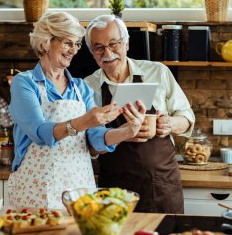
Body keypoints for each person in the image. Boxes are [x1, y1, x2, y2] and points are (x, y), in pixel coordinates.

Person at [7, 12, 146, 209]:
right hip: (36, 189)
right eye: (67, 43)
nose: (73, 50)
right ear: (46, 43)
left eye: (77, 44)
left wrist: (126, 132)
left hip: (79, 188)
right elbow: (40, 133)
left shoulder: (81, 88)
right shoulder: (25, 83)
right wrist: (85, 121)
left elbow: (95, 138)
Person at [84, 15, 195, 214]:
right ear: (92, 52)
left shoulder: (158, 72)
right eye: (99, 47)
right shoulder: (86, 87)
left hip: (160, 185)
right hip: (114, 191)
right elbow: (88, 146)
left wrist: (169, 124)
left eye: (114, 44)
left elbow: (187, 117)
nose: (107, 53)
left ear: (126, 44)